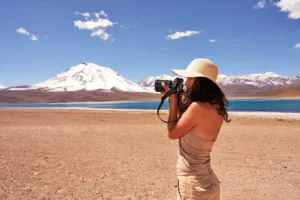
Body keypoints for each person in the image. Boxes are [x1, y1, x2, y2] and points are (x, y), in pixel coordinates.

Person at [160, 58, 231, 200]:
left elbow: (172, 133)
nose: (185, 83)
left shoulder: (197, 108)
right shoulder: (216, 107)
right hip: (209, 182)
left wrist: (173, 102)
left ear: (201, 82)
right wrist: (181, 103)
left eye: (190, 78)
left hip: (193, 185)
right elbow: (189, 125)